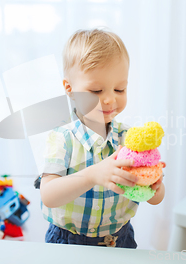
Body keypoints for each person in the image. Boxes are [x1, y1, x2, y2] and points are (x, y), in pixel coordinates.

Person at [39, 28, 165, 248]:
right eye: (96, 90)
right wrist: (92, 175)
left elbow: (155, 198)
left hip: (119, 240)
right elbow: (48, 194)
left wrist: (154, 185)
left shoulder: (129, 139)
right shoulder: (62, 138)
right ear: (70, 89)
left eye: (119, 89)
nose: (109, 99)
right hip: (68, 241)